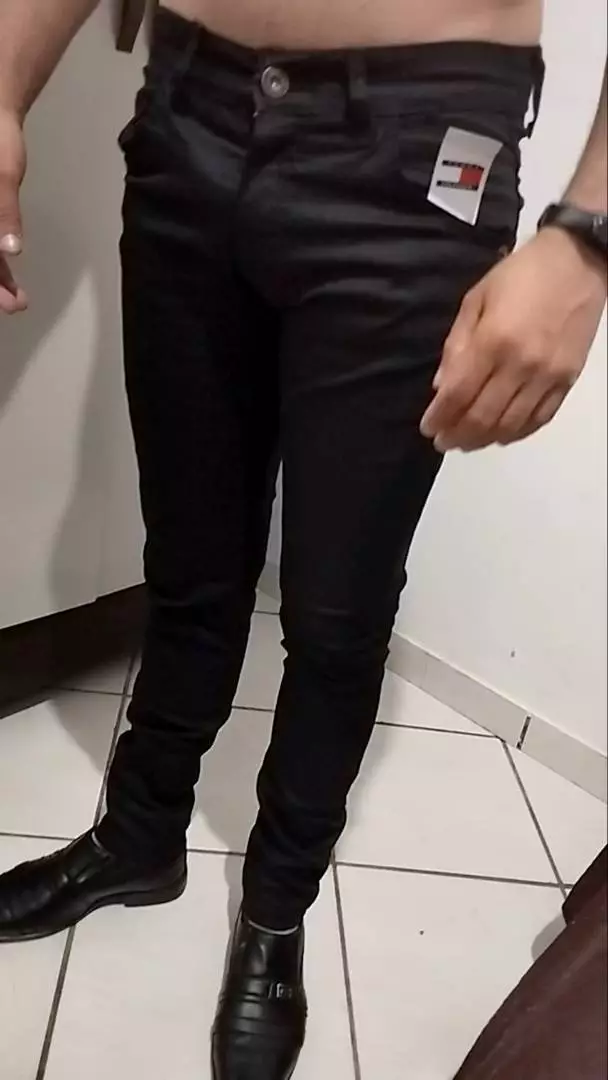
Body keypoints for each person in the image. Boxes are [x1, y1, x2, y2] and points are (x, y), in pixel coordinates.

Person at [0, 2, 606, 1078]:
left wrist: (591, 234)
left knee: (335, 613)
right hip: (187, 115)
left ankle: (276, 909)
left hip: (421, 153)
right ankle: (139, 836)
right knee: (190, 565)